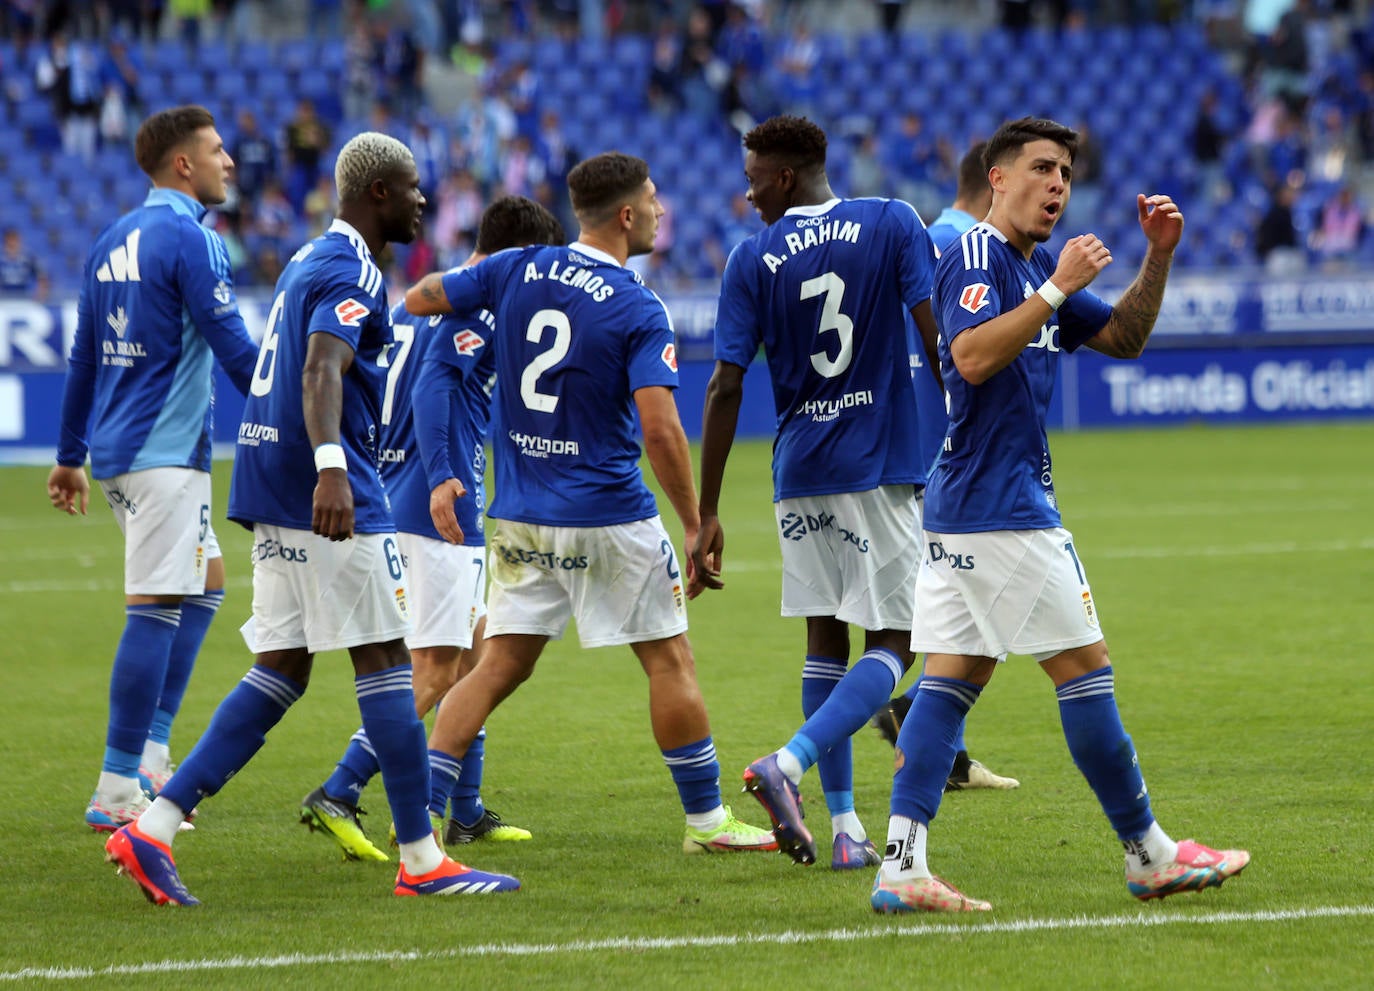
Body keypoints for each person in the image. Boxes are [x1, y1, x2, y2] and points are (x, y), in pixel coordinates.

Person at [103, 132, 520, 905]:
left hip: (269, 479)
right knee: (389, 660)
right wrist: (332, 468)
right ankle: (424, 859)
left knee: (282, 668)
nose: (425, 200)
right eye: (413, 187)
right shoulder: (350, 266)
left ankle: (152, 826)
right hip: (325, 487)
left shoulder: (306, 258)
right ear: (378, 196)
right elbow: (321, 363)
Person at [871, 116, 1249, 913]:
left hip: (964, 509)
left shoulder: (1032, 262)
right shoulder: (976, 255)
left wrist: (1159, 255)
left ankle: (902, 866)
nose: (1058, 185)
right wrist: (1054, 290)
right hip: (1005, 512)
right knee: (1084, 669)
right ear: (996, 177)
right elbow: (968, 356)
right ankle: (1149, 853)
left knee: (950, 681)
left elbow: (1123, 337)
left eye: (1068, 174)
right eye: (1042, 168)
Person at [403, 151, 776, 858]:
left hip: (518, 513)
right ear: (628, 214)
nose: (664, 211)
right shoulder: (637, 305)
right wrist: (695, 522)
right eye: (656, 199)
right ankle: (707, 823)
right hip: (607, 514)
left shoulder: (517, 267)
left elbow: (424, 296)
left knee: (496, 665)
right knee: (670, 659)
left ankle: (420, 817)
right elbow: (660, 426)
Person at [691, 114, 944, 871]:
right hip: (876, 463)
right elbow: (936, 339)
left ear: (787, 177)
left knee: (824, 642)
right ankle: (790, 762)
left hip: (798, 470)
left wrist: (707, 510)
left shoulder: (751, 259)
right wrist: (964, 422)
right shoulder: (893, 222)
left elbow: (725, 384)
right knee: (897, 641)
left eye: (754, 179)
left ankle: (845, 828)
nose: (748, 194)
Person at [300, 195, 564, 862]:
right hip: (438, 507)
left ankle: (466, 811)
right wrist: (447, 473)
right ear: (511, 256)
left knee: (477, 657)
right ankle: (339, 786)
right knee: (437, 670)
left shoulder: (426, 301)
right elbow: (433, 390)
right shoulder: (471, 310)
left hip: (403, 494)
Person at [47, 105, 259, 834]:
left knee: (206, 579)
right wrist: (291, 419)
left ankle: (152, 752)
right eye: (217, 150)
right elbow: (232, 344)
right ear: (183, 165)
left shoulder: (112, 239)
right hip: (164, 455)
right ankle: (116, 783)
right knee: (156, 604)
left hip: (118, 453)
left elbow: (83, 357)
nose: (228, 161)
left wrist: (70, 455)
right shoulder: (192, 237)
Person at [869, 141, 1020, 794]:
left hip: (928, 445)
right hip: (957, 451)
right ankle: (916, 727)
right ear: (994, 186)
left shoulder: (931, 238)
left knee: (966, 617)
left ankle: (946, 752)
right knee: (984, 612)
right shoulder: (971, 245)